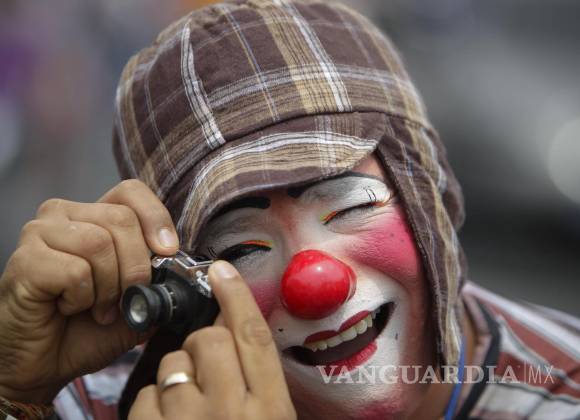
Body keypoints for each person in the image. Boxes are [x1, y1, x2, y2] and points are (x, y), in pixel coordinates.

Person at [0, 1, 579, 419]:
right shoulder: (86, 402)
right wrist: (15, 394)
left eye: (350, 207)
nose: (315, 283)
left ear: (431, 193)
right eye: (240, 249)